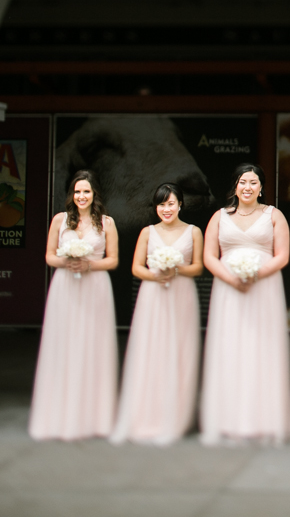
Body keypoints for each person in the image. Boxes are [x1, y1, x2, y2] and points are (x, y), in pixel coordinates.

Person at [200, 163, 290, 445]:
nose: (248, 187)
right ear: (235, 186)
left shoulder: (274, 215)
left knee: (261, 346)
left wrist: (255, 274)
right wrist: (231, 278)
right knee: (230, 346)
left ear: (261, 187)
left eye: (253, 182)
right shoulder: (219, 216)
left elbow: (282, 256)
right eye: (242, 182)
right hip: (229, 289)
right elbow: (209, 257)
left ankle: (262, 418)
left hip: (264, 288)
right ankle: (227, 418)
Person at [111, 183, 204, 445]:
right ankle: (145, 413)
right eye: (162, 204)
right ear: (156, 207)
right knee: (150, 350)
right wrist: (155, 272)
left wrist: (175, 270)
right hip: (152, 296)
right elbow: (136, 268)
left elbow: (197, 267)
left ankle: (176, 416)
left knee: (179, 350)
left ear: (180, 205)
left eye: (171, 203)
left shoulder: (194, 232)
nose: (166, 209)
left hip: (182, 295)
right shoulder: (147, 232)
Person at [30, 170, 119, 440]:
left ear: (95, 195)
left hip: (95, 288)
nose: (82, 196)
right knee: (64, 344)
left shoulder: (107, 223)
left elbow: (113, 260)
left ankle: (94, 417)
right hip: (65, 286)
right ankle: (59, 414)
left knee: (92, 345)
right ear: (72, 194)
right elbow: (48, 256)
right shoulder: (60, 220)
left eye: (87, 191)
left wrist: (89, 263)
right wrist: (66, 260)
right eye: (78, 191)